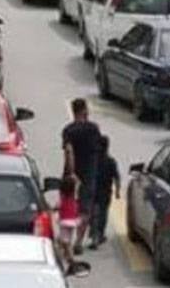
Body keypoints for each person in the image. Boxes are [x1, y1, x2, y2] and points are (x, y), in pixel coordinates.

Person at [62, 98, 102, 256]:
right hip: (89, 173)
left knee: (69, 208)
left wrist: (71, 172)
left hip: (71, 174)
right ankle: (79, 241)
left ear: (73, 111)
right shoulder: (93, 129)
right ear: (85, 110)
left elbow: (69, 151)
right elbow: (100, 149)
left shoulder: (68, 130)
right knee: (85, 209)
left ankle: (68, 240)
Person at [89, 135, 120, 249]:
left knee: (92, 213)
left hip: (93, 190)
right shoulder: (111, 161)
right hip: (105, 192)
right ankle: (100, 234)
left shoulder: (93, 160)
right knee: (103, 213)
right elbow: (117, 177)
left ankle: (94, 234)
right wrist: (117, 190)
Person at [56, 175, 80, 265]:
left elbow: (57, 206)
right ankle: (66, 254)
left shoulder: (63, 199)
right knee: (67, 239)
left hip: (65, 221)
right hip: (73, 221)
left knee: (64, 241)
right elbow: (77, 185)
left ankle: (70, 258)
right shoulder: (73, 197)